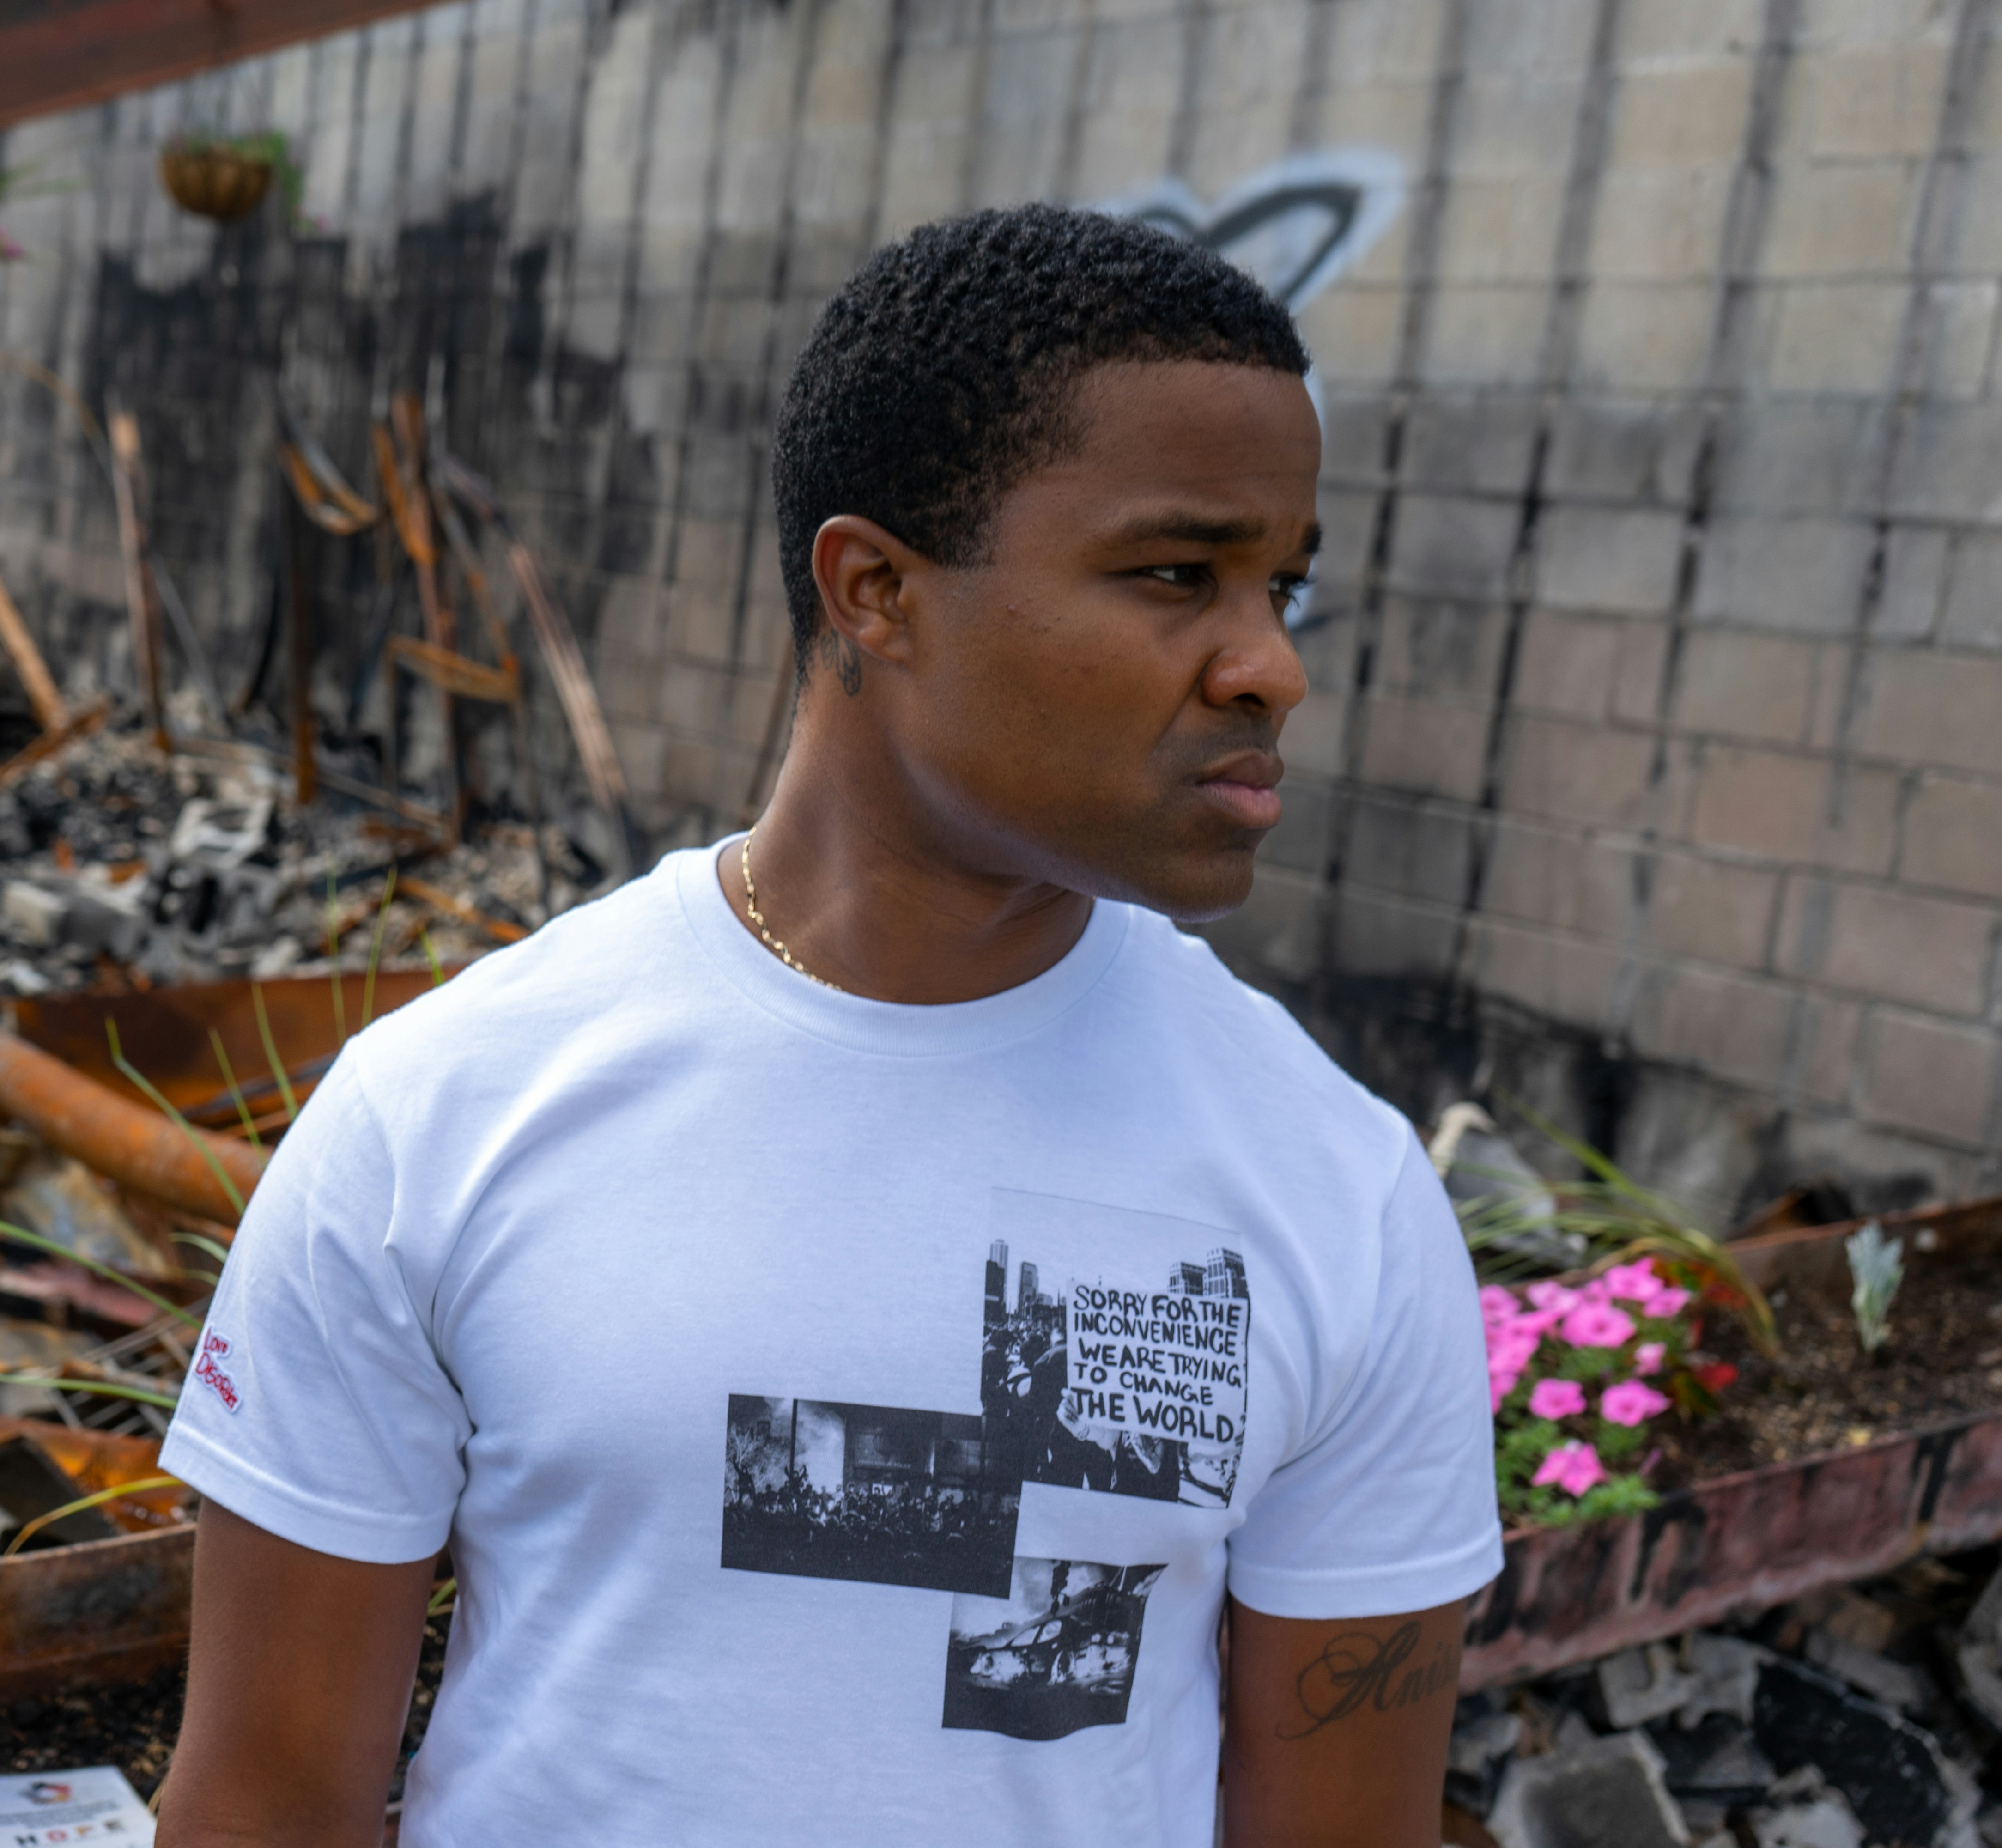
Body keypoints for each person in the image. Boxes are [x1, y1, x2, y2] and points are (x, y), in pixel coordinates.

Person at [156, 205, 1500, 1847]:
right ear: (875, 590)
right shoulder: (449, 1110)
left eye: (1280, 585)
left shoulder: (1333, 1189)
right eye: (1177, 574)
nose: (1270, 667)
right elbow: (264, 1802)